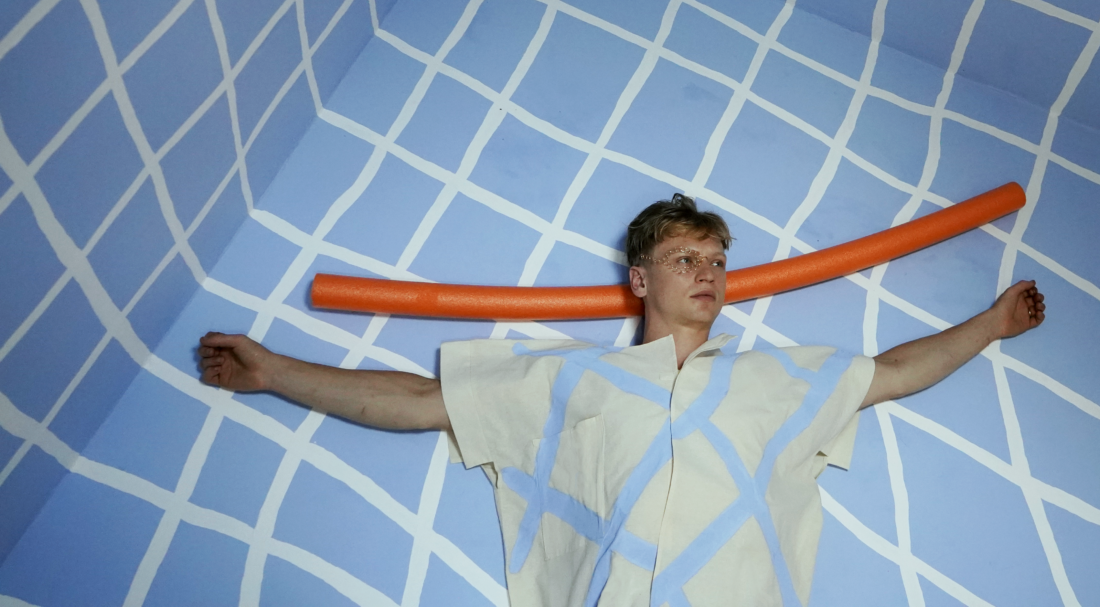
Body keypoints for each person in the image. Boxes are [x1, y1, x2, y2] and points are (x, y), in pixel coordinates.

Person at [200, 194, 1045, 607]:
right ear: (640, 279)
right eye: (686, 259)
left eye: (717, 261)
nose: (708, 273)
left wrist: (991, 325)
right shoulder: (566, 377)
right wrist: (276, 373)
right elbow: (421, 400)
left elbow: (893, 373)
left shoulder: (781, 381)